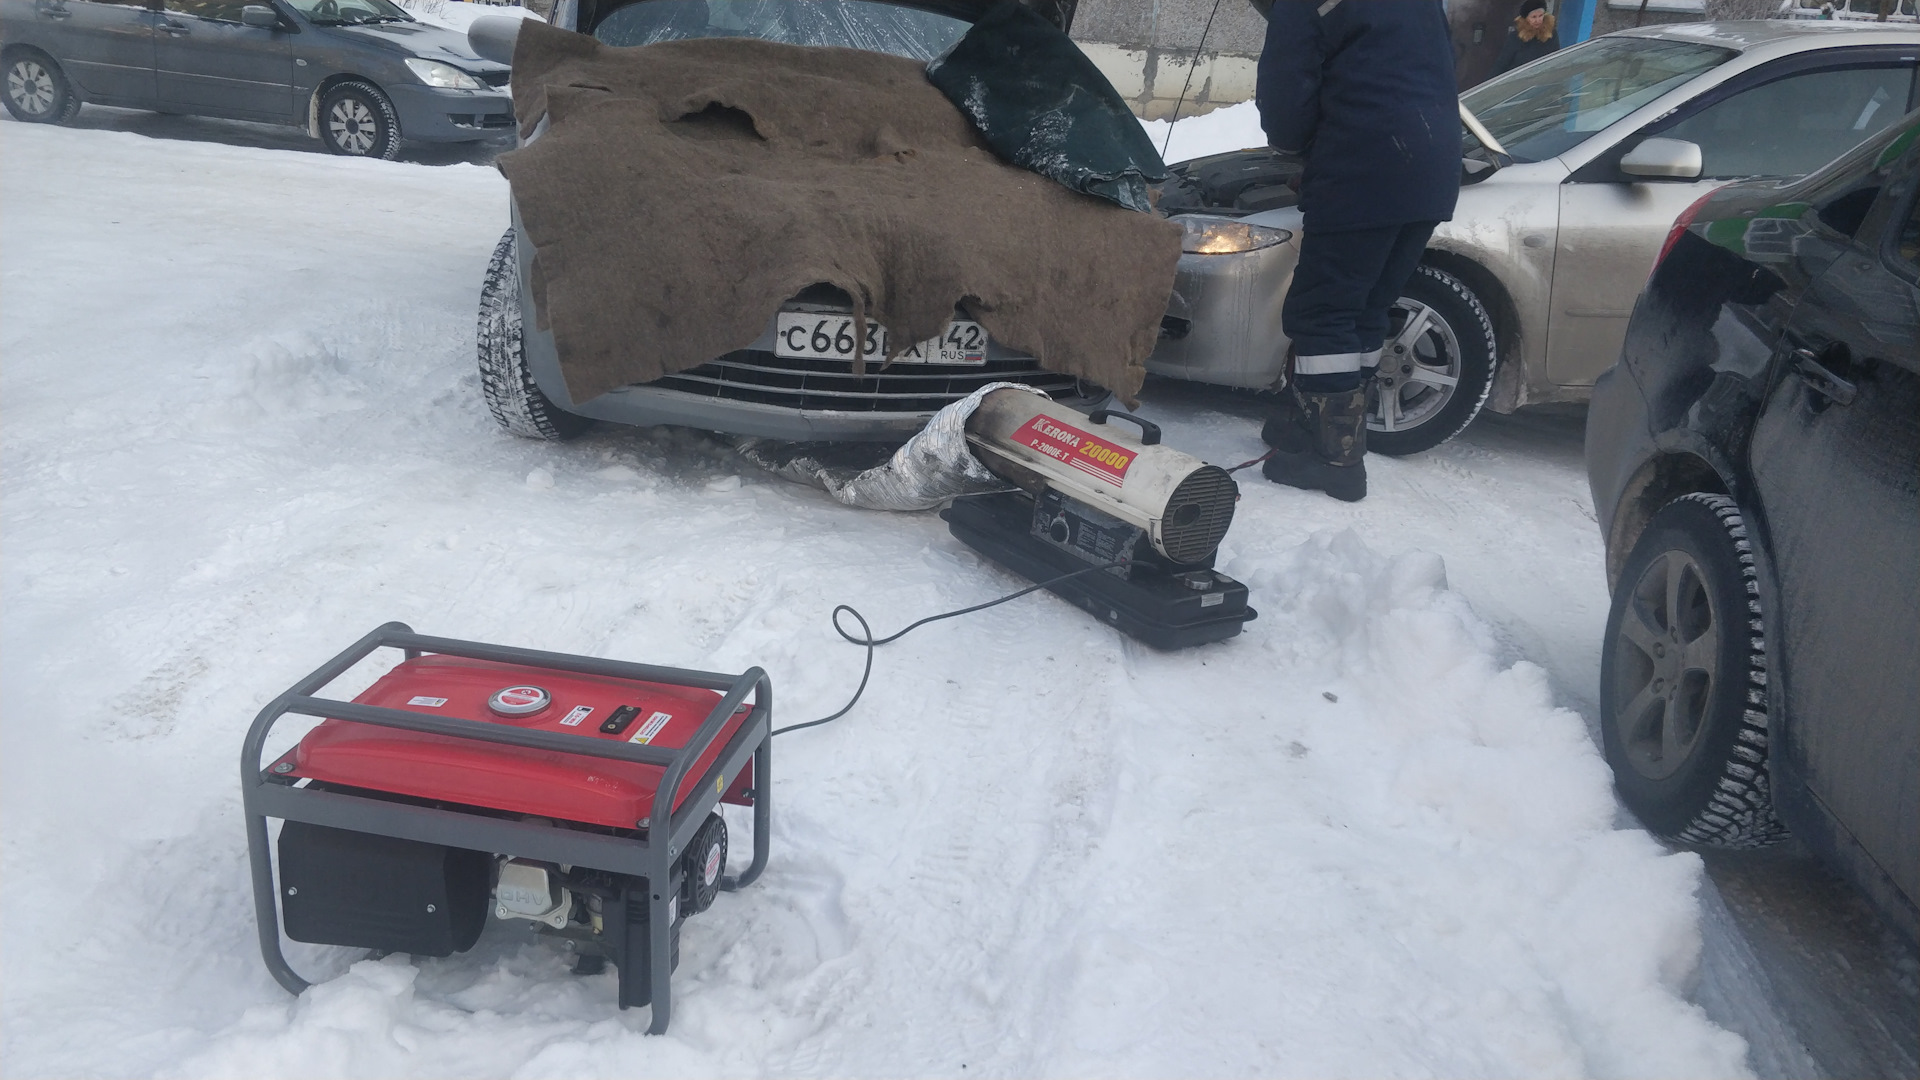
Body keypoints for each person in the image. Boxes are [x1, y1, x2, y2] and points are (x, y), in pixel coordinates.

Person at [1254, 0, 1460, 502]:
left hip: (1366, 163)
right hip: (1431, 169)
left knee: (1322, 313)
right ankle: (1318, 428)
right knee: (1364, 309)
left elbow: (1285, 97)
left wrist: (1298, 144)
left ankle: (1335, 460)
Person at [1492, 0, 1560, 76]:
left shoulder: (1551, 34)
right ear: (1526, 18)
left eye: (1540, 15)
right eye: (1533, 17)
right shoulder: (1515, 37)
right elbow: (1502, 63)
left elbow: (1556, 61)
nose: (1538, 20)